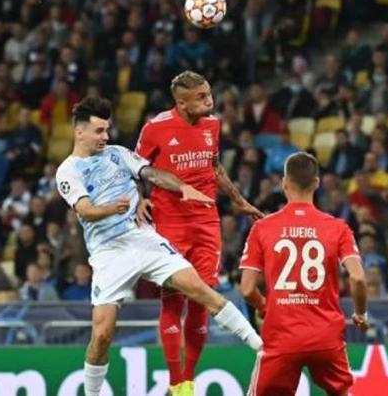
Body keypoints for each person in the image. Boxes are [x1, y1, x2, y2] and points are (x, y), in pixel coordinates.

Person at [55, 97, 262, 396]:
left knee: (201, 290)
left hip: (144, 239)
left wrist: (182, 186)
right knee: (102, 335)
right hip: (109, 252)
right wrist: (114, 208)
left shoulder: (118, 154)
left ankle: (261, 347)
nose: (106, 137)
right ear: (80, 132)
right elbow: (85, 210)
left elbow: (150, 173)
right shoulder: (68, 171)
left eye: (107, 130)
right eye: (99, 131)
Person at [135, 71, 263, 395]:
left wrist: (239, 201)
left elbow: (215, 168)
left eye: (209, 94)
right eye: (202, 97)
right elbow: (135, 169)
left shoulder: (212, 126)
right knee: (172, 298)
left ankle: (187, 382)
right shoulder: (155, 128)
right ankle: (175, 379)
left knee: (202, 298)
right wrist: (139, 200)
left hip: (206, 223)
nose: (210, 101)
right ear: (182, 103)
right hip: (170, 222)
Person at [240, 152, 369, 396]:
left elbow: (247, 289)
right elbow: (358, 277)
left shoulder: (263, 228)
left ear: (284, 183)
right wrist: (360, 313)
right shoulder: (338, 227)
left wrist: (264, 306)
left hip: (282, 335)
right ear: (316, 183)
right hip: (325, 336)